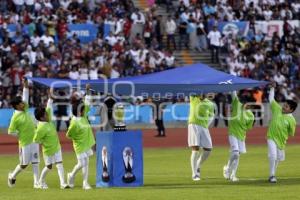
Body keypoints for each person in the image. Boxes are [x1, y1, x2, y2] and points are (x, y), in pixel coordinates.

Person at [33, 88, 69, 189]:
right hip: (48, 150)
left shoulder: (47, 118)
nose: (48, 114)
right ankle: (41, 181)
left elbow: (49, 104)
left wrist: (51, 94)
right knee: (49, 167)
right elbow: (36, 140)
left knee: (59, 164)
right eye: (46, 114)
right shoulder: (40, 128)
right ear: (41, 118)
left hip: (57, 147)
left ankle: (63, 183)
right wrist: (43, 142)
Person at [7, 79, 40, 188]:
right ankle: (12, 176)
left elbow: (26, 97)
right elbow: (10, 131)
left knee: (36, 162)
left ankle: (36, 183)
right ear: (17, 106)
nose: (23, 103)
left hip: (34, 140)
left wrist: (25, 86)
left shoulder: (24, 109)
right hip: (25, 143)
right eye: (21, 103)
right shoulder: (14, 118)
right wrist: (20, 134)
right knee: (24, 164)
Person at [66, 84, 95, 190]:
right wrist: (77, 138)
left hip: (87, 143)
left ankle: (85, 183)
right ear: (79, 111)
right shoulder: (74, 122)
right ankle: (71, 175)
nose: (85, 111)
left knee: (86, 163)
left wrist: (87, 91)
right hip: (79, 145)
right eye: (83, 110)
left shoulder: (83, 115)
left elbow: (87, 102)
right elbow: (69, 134)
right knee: (82, 163)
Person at [267, 83, 297, 183]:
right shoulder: (277, 109)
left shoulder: (292, 121)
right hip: (271, 136)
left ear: (291, 110)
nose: (283, 107)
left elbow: (291, 133)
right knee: (273, 155)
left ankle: (273, 174)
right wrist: (272, 89)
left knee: (278, 158)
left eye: (286, 106)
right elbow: (271, 99)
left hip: (281, 141)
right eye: (284, 105)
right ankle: (272, 175)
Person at [223, 91, 254, 182]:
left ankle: (233, 175)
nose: (247, 105)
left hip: (241, 136)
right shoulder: (237, 104)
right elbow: (233, 92)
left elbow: (248, 127)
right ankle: (227, 168)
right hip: (232, 133)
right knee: (236, 153)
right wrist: (233, 79)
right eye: (246, 103)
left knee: (237, 155)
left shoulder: (251, 115)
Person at [188, 94, 215, 181]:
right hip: (193, 125)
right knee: (195, 149)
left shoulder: (210, 104)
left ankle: (198, 166)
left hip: (204, 126)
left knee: (208, 149)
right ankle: (194, 174)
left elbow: (212, 115)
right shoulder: (193, 98)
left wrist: (207, 124)